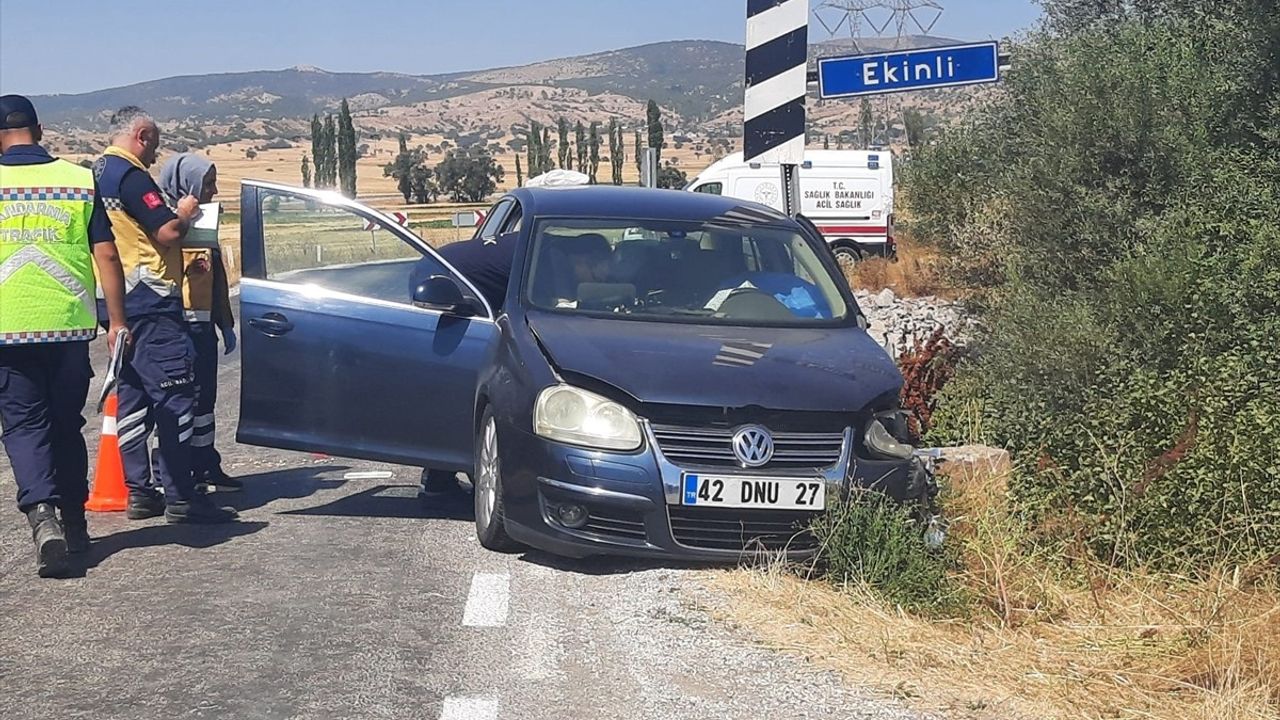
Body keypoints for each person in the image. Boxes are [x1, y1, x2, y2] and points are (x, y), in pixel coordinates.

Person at [0, 94, 129, 576]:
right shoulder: (78, 180)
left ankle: (42, 514)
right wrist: (117, 321)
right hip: (69, 327)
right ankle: (75, 522)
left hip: (7, 330)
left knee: (23, 426)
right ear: (39, 130)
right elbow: (107, 254)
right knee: (64, 425)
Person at [93, 106, 237, 524]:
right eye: (153, 144)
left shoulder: (95, 173)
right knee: (176, 398)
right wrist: (186, 213)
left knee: (133, 398)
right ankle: (181, 496)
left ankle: (140, 492)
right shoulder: (132, 176)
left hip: (115, 303)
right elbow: (168, 231)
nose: (155, 155)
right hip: (151, 301)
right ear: (141, 135)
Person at [156, 153, 240, 492]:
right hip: (174, 326)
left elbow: (216, 275)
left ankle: (205, 465)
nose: (213, 191)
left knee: (204, 402)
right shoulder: (161, 219)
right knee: (177, 403)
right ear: (186, 184)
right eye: (207, 184)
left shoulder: (205, 221)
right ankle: (169, 473)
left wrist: (225, 322)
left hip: (202, 328)